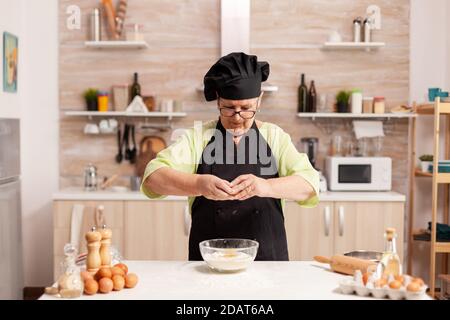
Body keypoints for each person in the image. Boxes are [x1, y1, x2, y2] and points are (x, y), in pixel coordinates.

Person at [141, 52, 319, 260]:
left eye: (246, 109)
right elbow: (153, 178)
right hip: (207, 265)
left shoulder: (274, 136)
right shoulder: (198, 137)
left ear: (259, 101)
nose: (237, 118)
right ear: (218, 101)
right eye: (229, 108)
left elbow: (310, 184)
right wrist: (198, 184)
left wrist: (266, 187)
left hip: (268, 264)